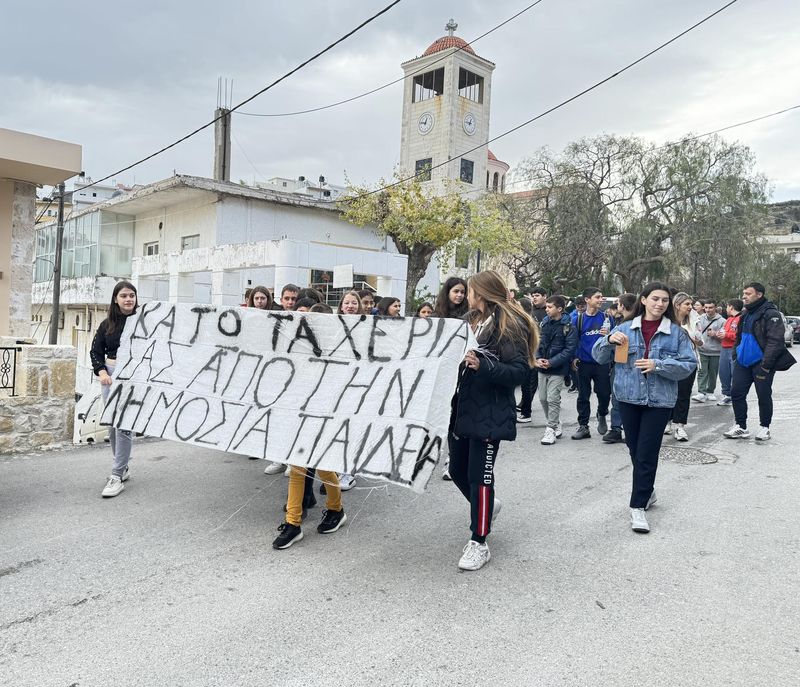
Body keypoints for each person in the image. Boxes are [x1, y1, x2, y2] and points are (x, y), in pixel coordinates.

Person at [448, 271, 537, 570]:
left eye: (470, 291)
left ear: (482, 293)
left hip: (490, 412)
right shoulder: (471, 320)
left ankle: (479, 541)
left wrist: (482, 364)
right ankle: (486, 508)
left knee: (480, 477)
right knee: (457, 469)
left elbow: (519, 372)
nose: (467, 295)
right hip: (462, 408)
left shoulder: (509, 324)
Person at [593, 282, 697, 533]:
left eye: (664, 300)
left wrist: (658, 365)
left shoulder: (676, 333)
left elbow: (688, 364)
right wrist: (608, 340)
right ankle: (647, 491)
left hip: (659, 401)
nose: (660, 304)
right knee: (634, 448)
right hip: (628, 398)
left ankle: (637, 506)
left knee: (647, 453)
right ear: (643, 300)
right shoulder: (625, 328)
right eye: (655, 299)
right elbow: (599, 356)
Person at [724, 282, 795, 441]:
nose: (744, 297)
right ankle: (741, 426)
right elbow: (739, 337)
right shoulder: (745, 314)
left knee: (763, 395)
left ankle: (764, 428)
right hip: (743, 363)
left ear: (759, 294)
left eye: (748, 294)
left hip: (761, 363)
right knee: (736, 393)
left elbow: (776, 341)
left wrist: (766, 365)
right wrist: (736, 354)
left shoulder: (771, 313)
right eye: (743, 294)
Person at [90, 281, 139, 498]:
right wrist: (102, 372)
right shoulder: (106, 324)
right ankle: (123, 466)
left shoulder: (143, 322)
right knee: (112, 423)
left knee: (123, 426)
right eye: (124, 296)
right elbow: (95, 351)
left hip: (134, 376)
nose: (129, 299)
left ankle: (117, 474)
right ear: (115, 299)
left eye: (132, 295)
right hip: (110, 374)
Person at [571, 287, 612, 439]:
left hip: (602, 363)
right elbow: (573, 341)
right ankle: (583, 426)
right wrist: (574, 357)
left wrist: (609, 335)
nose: (601, 300)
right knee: (583, 396)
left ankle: (602, 414)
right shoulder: (578, 319)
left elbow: (615, 339)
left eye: (601, 297)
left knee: (604, 394)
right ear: (587, 300)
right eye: (598, 297)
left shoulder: (607, 318)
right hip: (584, 363)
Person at [536, 295, 577, 445]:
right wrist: (538, 358)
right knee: (542, 398)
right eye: (546, 307)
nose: (546, 309)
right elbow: (537, 343)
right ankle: (555, 421)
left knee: (553, 398)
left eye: (549, 307)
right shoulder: (544, 324)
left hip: (558, 369)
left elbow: (569, 349)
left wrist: (552, 362)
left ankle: (551, 429)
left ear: (559, 309)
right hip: (542, 367)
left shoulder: (569, 327)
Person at [334, 290, 364, 490]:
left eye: (354, 303)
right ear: (341, 306)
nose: (351, 306)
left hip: (359, 384)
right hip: (337, 384)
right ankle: (337, 466)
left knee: (352, 428)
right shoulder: (333, 326)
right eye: (347, 303)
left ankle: (349, 471)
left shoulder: (367, 326)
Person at [667, 292, 703, 442]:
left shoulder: (694, 321)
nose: (690, 307)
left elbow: (701, 343)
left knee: (683, 394)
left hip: (688, 363)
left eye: (691, 304)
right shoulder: (666, 322)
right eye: (687, 304)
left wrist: (696, 340)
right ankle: (667, 422)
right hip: (669, 362)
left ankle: (680, 426)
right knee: (668, 393)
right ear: (677, 305)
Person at [603, 293, 637, 444]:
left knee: (621, 397)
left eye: (618, 303)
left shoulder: (627, 324)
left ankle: (624, 428)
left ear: (622, 306)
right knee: (617, 397)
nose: (616, 306)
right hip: (619, 363)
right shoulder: (618, 322)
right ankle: (617, 428)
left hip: (627, 364)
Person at [691, 300, 725, 402]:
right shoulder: (700, 319)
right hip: (702, 351)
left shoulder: (722, 321)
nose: (708, 310)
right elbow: (695, 331)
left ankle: (710, 391)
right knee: (702, 372)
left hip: (716, 352)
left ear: (715, 308)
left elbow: (724, 339)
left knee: (713, 373)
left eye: (710, 307)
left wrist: (715, 335)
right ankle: (701, 393)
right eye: (706, 307)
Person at [716, 299, 743, 406]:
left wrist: (726, 335)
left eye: (727, 306)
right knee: (723, 372)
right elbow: (724, 331)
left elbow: (738, 335)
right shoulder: (728, 319)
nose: (726, 309)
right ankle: (726, 395)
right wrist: (719, 334)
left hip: (734, 349)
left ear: (731, 307)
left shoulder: (741, 319)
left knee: (734, 373)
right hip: (724, 348)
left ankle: (736, 395)